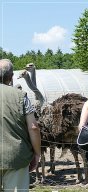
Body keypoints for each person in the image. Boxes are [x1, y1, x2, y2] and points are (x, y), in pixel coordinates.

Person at [0, 59, 41, 191]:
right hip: (16, 157)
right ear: (11, 76)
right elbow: (33, 127)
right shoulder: (21, 96)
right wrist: (37, 153)